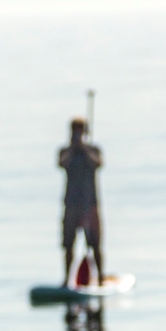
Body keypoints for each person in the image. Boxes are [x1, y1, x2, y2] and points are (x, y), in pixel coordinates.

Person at [58, 118, 103, 286]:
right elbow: (62, 163)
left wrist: (83, 148)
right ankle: (66, 279)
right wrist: (73, 148)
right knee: (68, 244)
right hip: (71, 205)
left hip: (90, 205)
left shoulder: (92, 150)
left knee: (95, 244)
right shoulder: (65, 151)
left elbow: (98, 163)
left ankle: (100, 278)